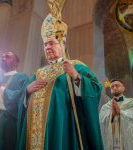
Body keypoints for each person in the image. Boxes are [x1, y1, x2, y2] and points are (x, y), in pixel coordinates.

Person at [18, 7, 103, 150]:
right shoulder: (38, 73)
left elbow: (95, 89)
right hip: (33, 130)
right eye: (45, 44)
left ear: (63, 45)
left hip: (63, 128)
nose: (47, 47)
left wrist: (76, 76)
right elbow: (20, 103)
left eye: (52, 43)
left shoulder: (76, 66)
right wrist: (26, 91)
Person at [99, 79, 133, 150]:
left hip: (129, 139)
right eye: (112, 87)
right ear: (110, 90)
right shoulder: (106, 106)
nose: (114, 88)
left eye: (117, 85)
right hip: (112, 141)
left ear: (123, 88)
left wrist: (121, 113)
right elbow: (101, 123)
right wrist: (112, 115)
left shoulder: (132, 103)